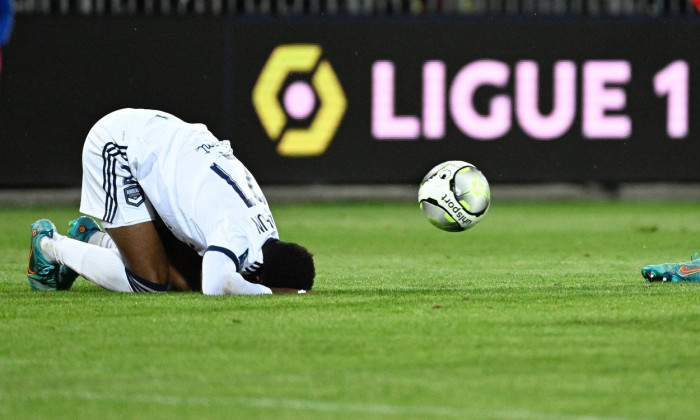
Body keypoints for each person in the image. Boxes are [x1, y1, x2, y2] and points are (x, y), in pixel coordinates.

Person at [27, 108, 315, 295]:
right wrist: (268, 293)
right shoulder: (236, 234)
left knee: (186, 282)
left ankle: (92, 238)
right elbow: (217, 285)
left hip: (161, 146)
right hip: (119, 147)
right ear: (262, 275)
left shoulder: (265, 235)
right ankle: (50, 246)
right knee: (150, 281)